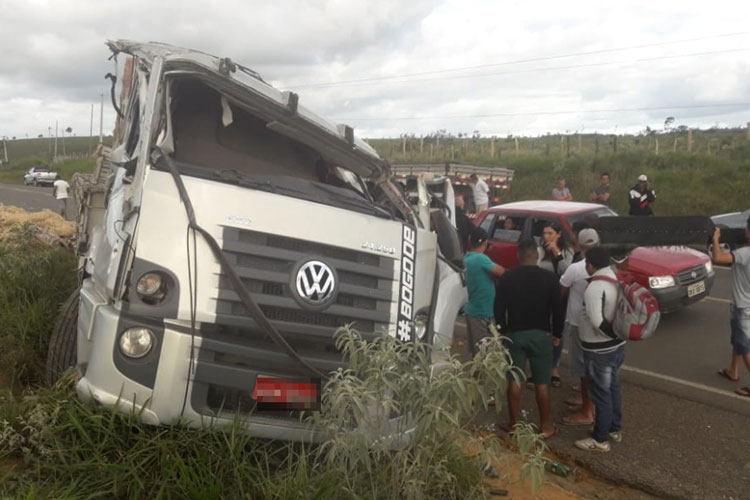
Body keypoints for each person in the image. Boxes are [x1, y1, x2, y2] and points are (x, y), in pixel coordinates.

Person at [495, 239, 565, 439]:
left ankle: (513, 424)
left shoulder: (507, 278)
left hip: (515, 334)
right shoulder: (550, 278)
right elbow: (558, 310)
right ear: (537, 255)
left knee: (514, 381)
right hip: (541, 335)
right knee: (542, 383)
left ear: (518, 256)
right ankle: (545, 426)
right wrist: (557, 334)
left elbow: (499, 308)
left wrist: (501, 331)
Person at [575, 247, 625, 452]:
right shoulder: (615, 278)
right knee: (613, 389)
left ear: (591, 265)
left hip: (599, 351)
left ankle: (600, 440)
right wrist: (618, 336)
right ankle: (614, 428)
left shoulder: (595, 287)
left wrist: (611, 335)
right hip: (618, 348)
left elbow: (597, 321)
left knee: (601, 394)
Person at [559, 229, 600, 426]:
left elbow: (562, 290)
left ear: (579, 245)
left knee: (584, 370)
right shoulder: (606, 266)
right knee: (592, 367)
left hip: (578, 323)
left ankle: (587, 411)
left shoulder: (576, 268)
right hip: (600, 325)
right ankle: (588, 403)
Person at [711, 218, 750, 397]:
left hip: (743, 308)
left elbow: (718, 258)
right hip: (745, 306)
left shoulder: (744, 253)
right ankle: (733, 371)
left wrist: (716, 239)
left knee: (744, 346)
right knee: (738, 340)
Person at [536, 222, 574, 386]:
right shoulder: (539, 250)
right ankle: (539, 366)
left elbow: (567, 272)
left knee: (557, 331)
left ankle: (554, 366)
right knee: (541, 329)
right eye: (544, 233)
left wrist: (557, 253)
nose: (546, 237)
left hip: (559, 296)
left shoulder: (568, 250)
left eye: (550, 233)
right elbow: (536, 269)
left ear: (559, 234)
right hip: (542, 295)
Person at [464, 228, 505, 353]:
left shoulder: (467, 258)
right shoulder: (481, 259)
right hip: (482, 312)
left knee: (479, 350)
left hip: (474, 310)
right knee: (483, 353)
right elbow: (501, 271)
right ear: (485, 243)